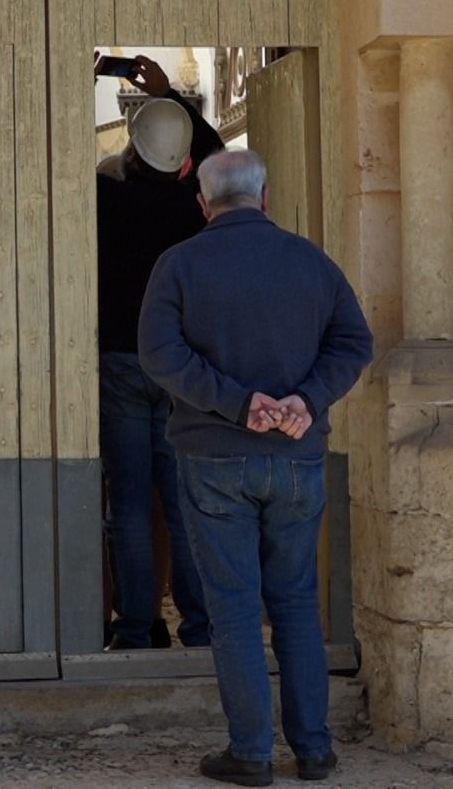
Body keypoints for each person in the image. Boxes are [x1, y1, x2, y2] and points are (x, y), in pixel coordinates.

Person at [137, 149, 374, 785]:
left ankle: (252, 753)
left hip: (213, 458)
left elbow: (158, 354)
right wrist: (306, 399)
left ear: (203, 203)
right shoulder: (310, 261)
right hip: (297, 457)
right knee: (296, 601)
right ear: (265, 197)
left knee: (235, 607)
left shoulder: (178, 265)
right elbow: (355, 342)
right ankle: (315, 750)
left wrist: (240, 405)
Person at [95, 55, 224, 650]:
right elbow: (219, 158)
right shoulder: (192, 205)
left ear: (132, 148)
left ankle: (138, 626)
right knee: (184, 502)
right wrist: (173, 96)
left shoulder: (103, 196)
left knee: (128, 502)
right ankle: (199, 625)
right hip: (180, 369)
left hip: (121, 361)